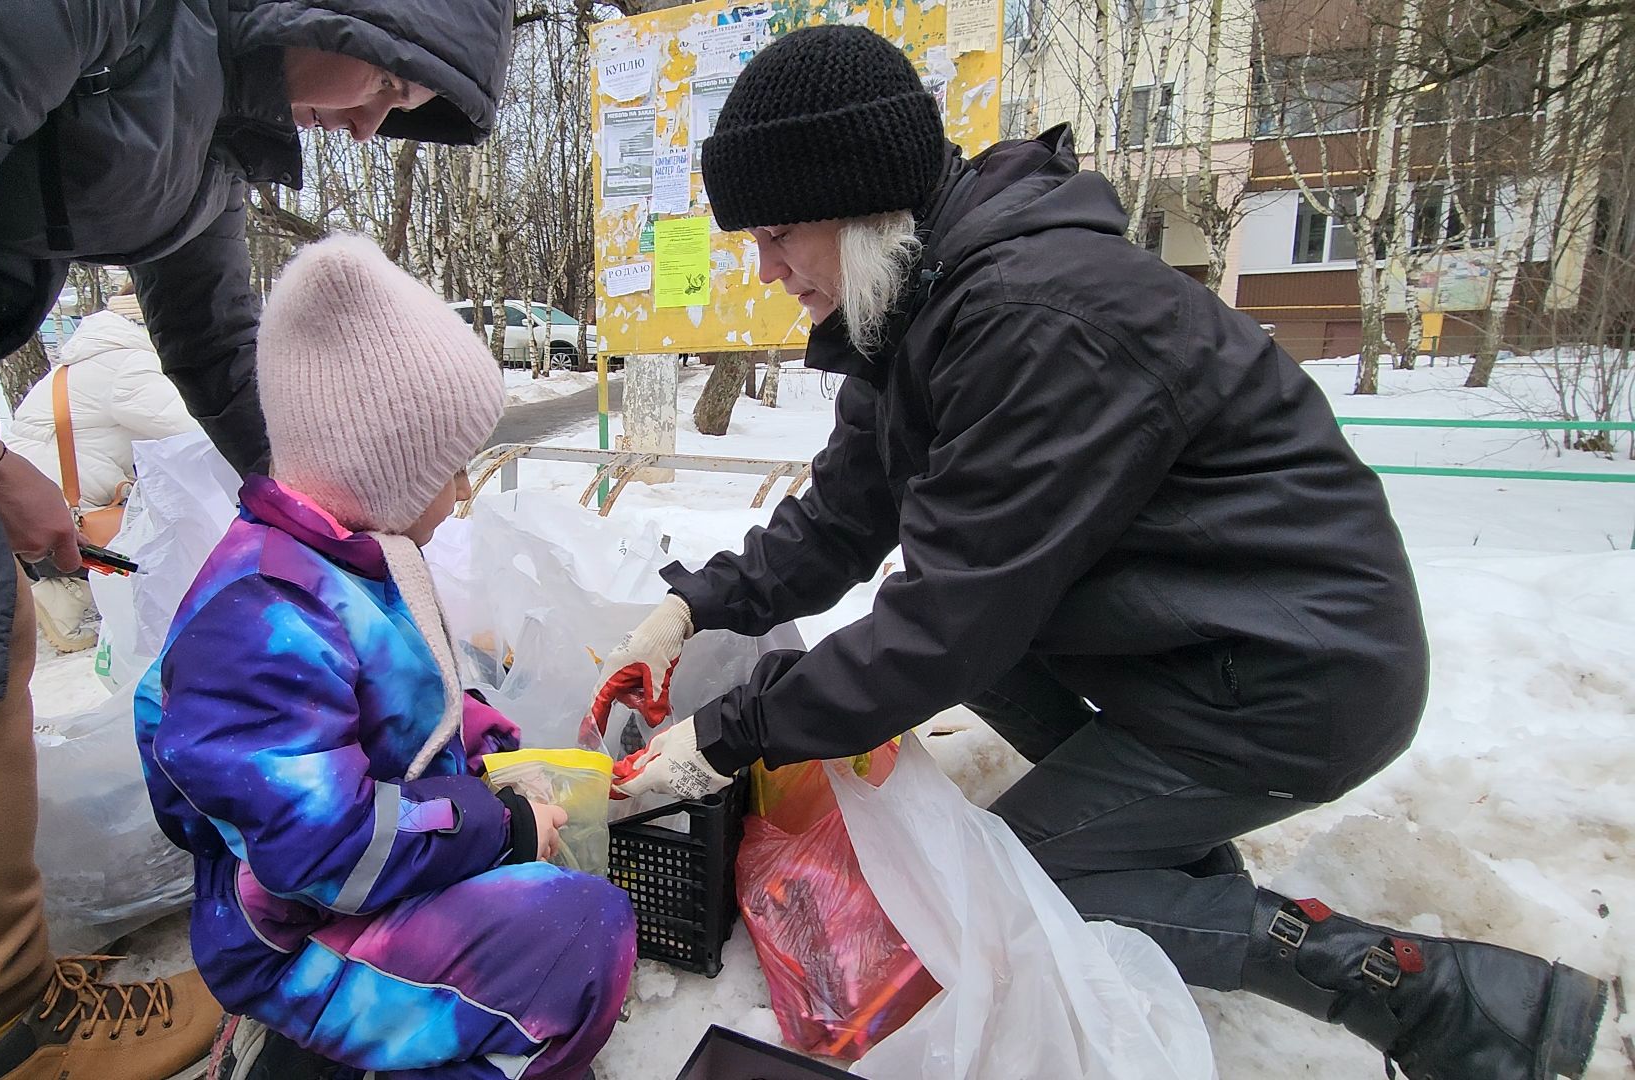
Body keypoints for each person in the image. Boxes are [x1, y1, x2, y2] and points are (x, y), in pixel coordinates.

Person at [597, 25, 1609, 1080]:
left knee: (1025, 888)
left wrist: (734, 731)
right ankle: (1165, 864)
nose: (765, 271)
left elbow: (949, 626)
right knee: (962, 671)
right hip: (1194, 637)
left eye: (777, 235)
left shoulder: (1036, 319)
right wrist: (696, 606)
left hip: (1299, 673)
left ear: (857, 200)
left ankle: (1431, 996)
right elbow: (850, 515)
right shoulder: (920, 301)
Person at [0, 1, 515, 1077]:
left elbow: (220, 346)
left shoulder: (212, 120)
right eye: (387, 86)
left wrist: (333, 499)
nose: (372, 128)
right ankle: (4, 1033)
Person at [136, 234, 635, 1080]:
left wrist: (490, 747)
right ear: (388, 467)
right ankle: (304, 1049)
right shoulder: (260, 616)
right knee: (583, 937)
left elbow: (410, 699)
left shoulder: (353, 559)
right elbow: (320, 850)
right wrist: (501, 824)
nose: (463, 491)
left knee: (569, 936)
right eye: (452, 469)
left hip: (363, 889)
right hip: (291, 940)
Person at [6, 288, 202, 651]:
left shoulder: (89, 359)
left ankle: (66, 587)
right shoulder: (128, 362)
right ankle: (69, 594)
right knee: (161, 537)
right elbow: (190, 427)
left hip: (27, 495)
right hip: (65, 508)